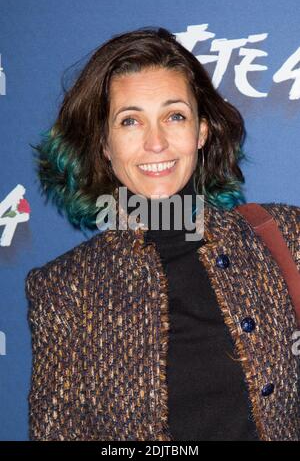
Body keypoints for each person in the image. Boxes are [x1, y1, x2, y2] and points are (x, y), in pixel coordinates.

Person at [25, 26, 300, 441]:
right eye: (130, 120)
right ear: (104, 144)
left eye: (175, 116)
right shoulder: (64, 289)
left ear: (201, 132)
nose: (156, 142)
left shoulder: (285, 234)